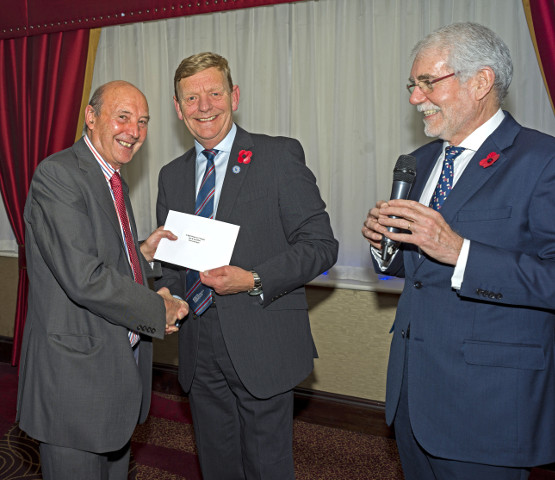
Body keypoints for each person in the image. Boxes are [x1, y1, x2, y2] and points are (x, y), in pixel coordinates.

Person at [362, 22, 555, 480]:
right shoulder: (422, 161)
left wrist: (461, 252)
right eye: (413, 85)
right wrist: (384, 247)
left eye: (428, 82)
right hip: (413, 396)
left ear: (481, 81)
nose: (415, 97)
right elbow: (420, 269)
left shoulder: (542, 161)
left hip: (488, 406)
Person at [155, 52, 338, 480]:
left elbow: (321, 246)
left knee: (266, 467)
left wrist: (253, 278)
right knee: (217, 466)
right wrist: (167, 293)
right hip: (198, 346)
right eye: (192, 98)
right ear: (177, 108)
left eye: (214, 93)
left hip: (262, 339)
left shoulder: (278, 157)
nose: (205, 106)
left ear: (233, 96)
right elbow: (170, 260)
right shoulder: (171, 176)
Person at [16, 80, 189, 480]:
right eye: (123, 117)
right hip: (74, 381)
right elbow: (84, 277)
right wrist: (157, 307)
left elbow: (101, 256)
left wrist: (142, 254)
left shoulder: (111, 177)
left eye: (143, 121)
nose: (134, 130)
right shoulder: (58, 175)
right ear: (91, 117)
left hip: (114, 369)